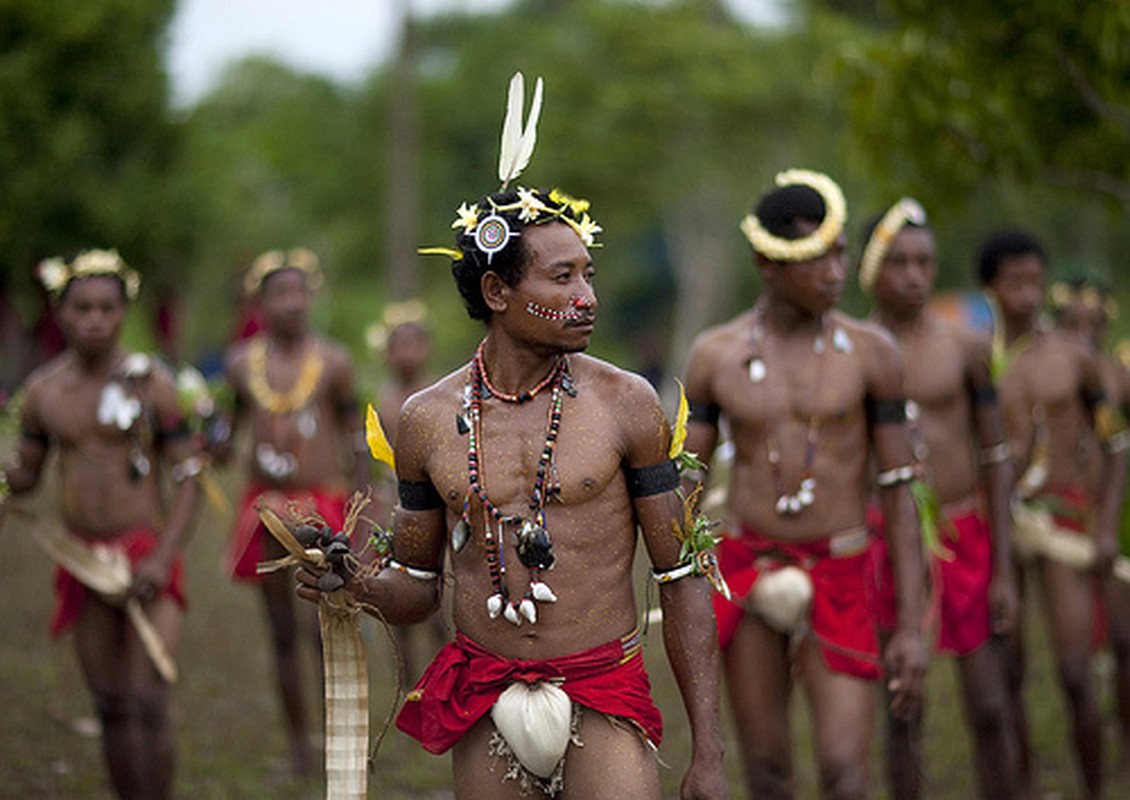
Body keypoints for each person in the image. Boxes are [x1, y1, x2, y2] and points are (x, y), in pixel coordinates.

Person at [297, 72, 728, 800]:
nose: (585, 296)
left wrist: (709, 754)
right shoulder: (428, 421)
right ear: (498, 293)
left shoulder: (628, 404)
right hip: (484, 695)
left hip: (602, 690)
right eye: (561, 279)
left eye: (588, 275)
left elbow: (682, 581)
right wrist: (355, 582)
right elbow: (418, 586)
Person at [681, 169, 928, 799]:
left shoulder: (872, 354)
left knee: (847, 773)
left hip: (843, 571)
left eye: (840, 252)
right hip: (748, 571)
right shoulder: (716, 355)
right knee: (765, 772)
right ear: (767, 262)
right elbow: (683, 489)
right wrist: (681, 593)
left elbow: (900, 493)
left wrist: (911, 626)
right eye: (817, 257)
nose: (836, 271)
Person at [0, 250, 201, 799]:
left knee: (148, 701)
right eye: (82, 308)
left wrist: (162, 557)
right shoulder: (43, 393)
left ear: (123, 312)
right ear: (61, 313)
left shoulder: (154, 384)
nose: (94, 319)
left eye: (107, 308)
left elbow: (190, 479)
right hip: (82, 559)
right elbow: (27, 474)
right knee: (110, 704)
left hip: (146, 556)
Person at [859, 199, 1018, 798]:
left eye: (924, 262)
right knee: (903, 708)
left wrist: (1002, 569)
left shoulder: (967, 346)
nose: (914, 276)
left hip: (964, 534)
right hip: (887, 539)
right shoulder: (855, 353)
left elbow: (996, 459)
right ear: (871, 269)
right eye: (898, 262)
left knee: (989, 704)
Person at [981, 230, 1128, 799]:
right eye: (1014, 282)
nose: (1027, 295)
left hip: (1063, 524)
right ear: (989, 287)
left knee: (1073, 671)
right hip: (996, 530)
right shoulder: (977, 360)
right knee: (1007, 673)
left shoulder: (1074, 360)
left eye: (1036, 282)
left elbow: (1115, 447)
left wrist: (1109, 525)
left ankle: (1095, 788)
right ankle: (1020, 785)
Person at [212, 247, 369, 778]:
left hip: (323, 506)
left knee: (327, 626)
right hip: (264, 508)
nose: (292, 303)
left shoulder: (335, 362)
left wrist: (361, 514)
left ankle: (338, 744)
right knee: (281, 631)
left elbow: (357, 442)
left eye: (301, 291)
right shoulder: (239, 364)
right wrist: (197, 432)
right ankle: (299, 747)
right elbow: (223, 434)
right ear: (260, 301)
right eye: (280, 293)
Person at [1050, 278, 1130, 775]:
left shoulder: (1115, 377)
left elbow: (1117, 449)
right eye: (1071, 325)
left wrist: (1109, 522)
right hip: (1066, 519)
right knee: (1076, 661)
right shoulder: (1050, 375)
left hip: (1111, 513)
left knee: (1125, 640)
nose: (1082, 334)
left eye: (1092, 325)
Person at [367, 300, 449, 680]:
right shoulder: (382, 398)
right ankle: (408, 679)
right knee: (397, 585)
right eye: (398, 346)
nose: (406, 354)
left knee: (441, 595)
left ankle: (446, 673)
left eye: (414, 344)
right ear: (386, 353)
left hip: (438, 502)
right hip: (393, 501)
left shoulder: (441, 395)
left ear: (427, 349)